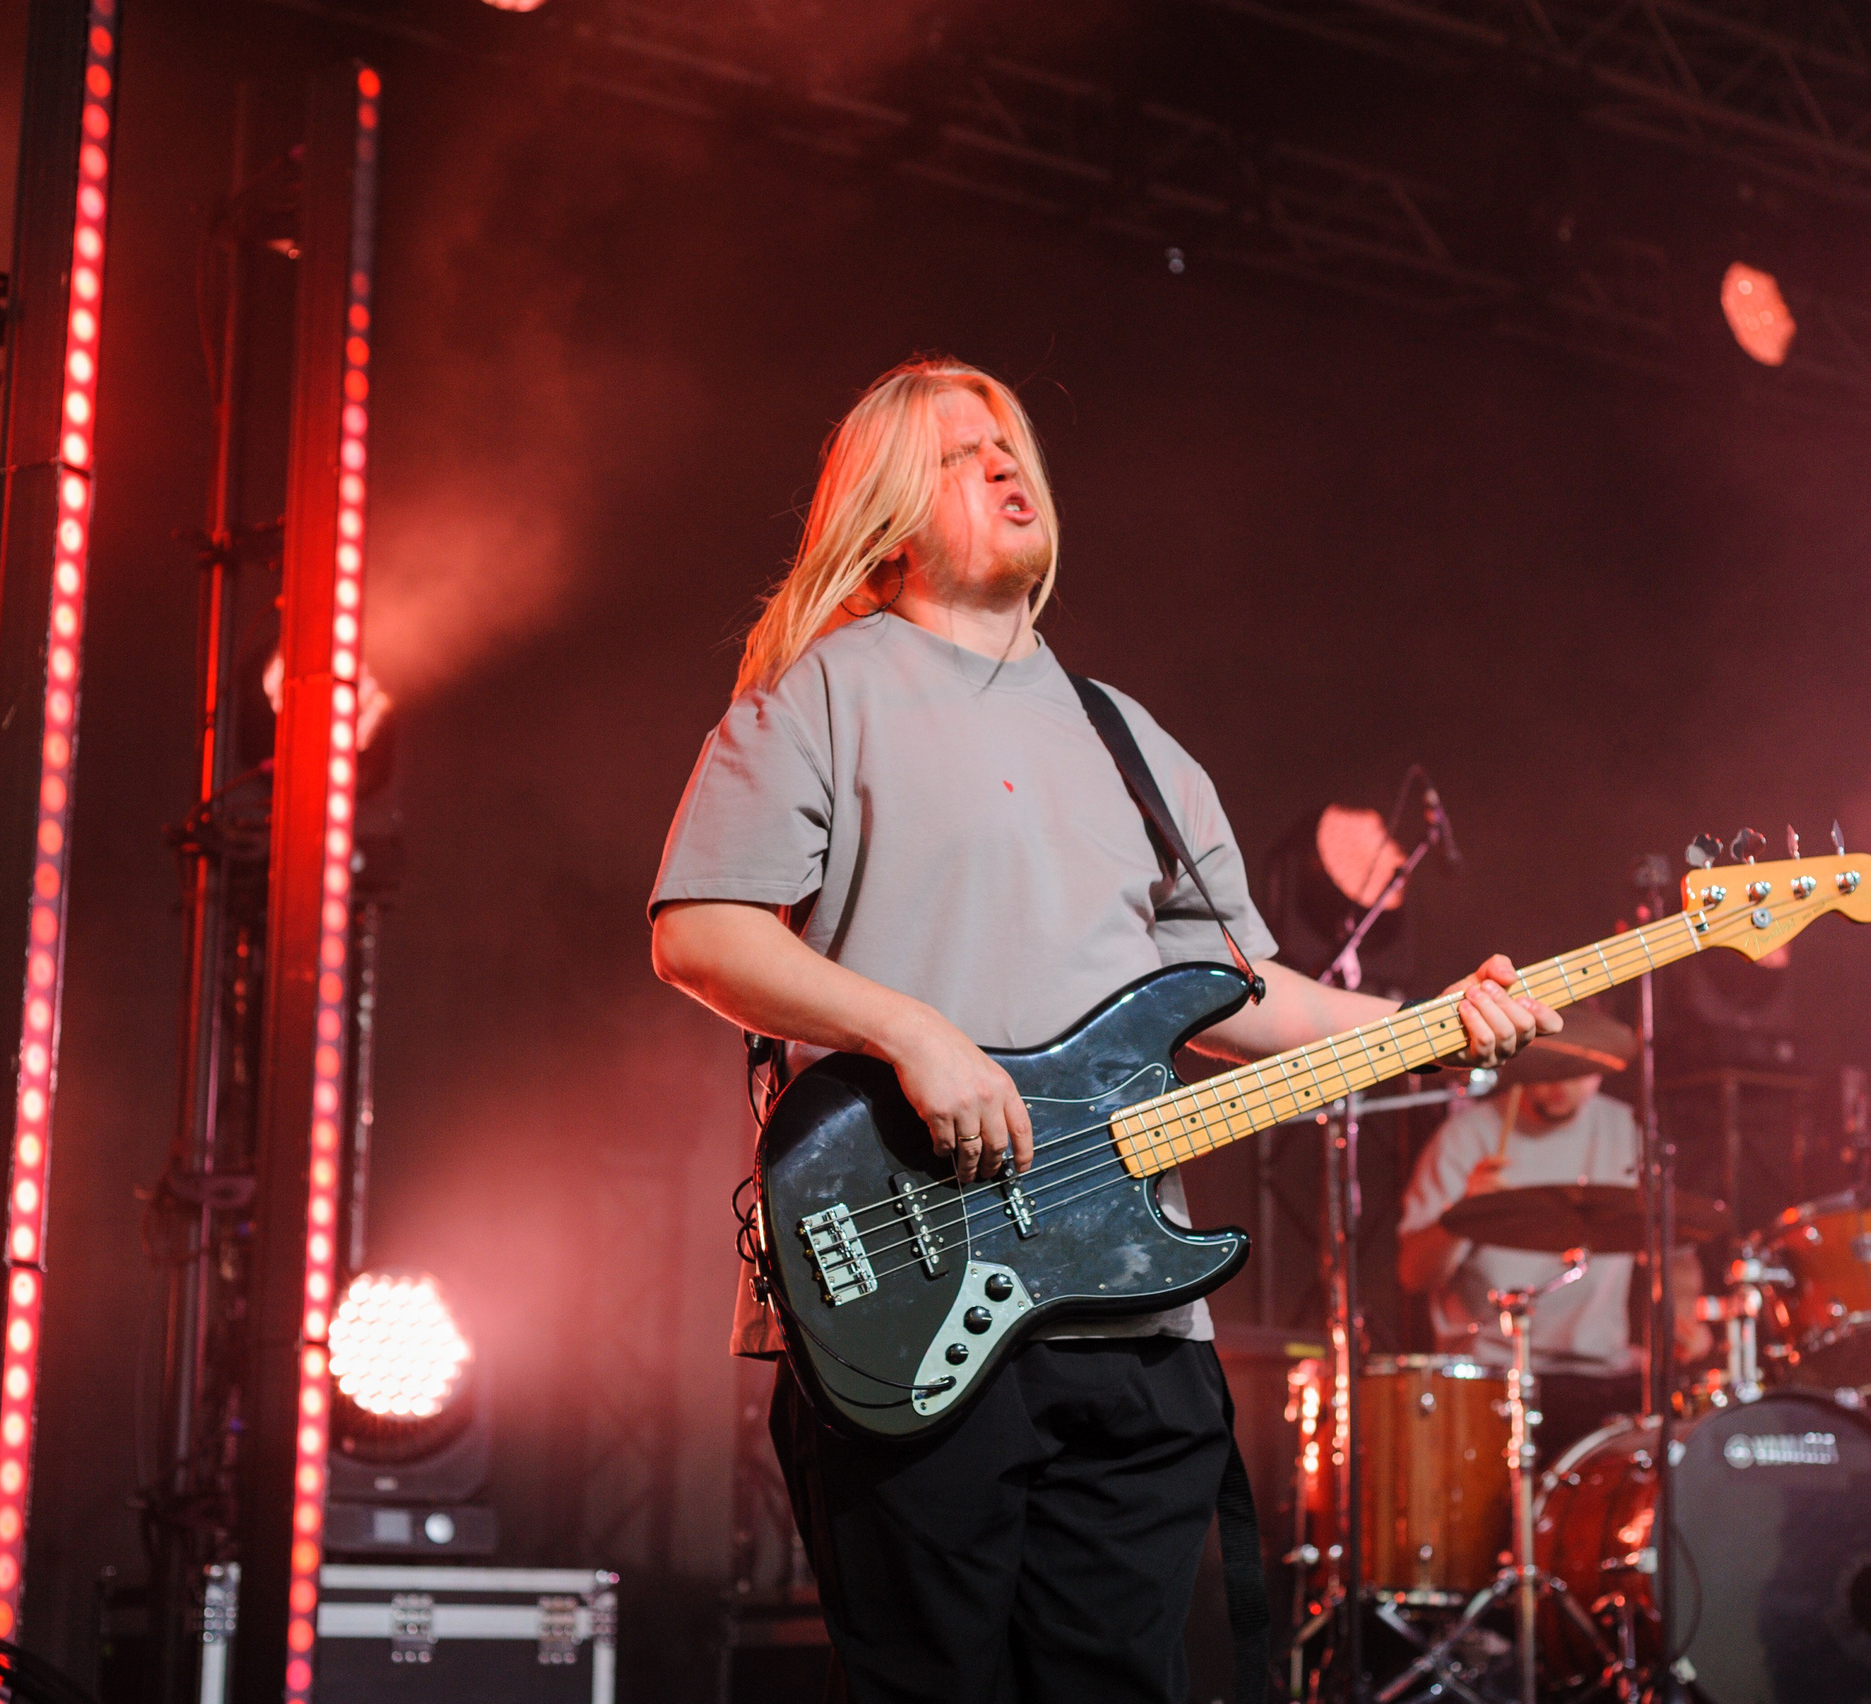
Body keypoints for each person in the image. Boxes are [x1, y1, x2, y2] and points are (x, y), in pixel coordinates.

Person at [648, 355, 1558, 1704]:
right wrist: (913, 1033)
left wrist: (1433, 1028)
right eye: (965, 452)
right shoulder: (827, 692)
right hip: (914, 1302)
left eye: (1014, 442)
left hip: (1132, 1325)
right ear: (891, 509)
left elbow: (1246, 993)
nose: (1010, 464)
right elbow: (700, 930)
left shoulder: (1130, 742)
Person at [1395, 1003, 1704, 1465]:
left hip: (1601, 1376)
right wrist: (1462, 1214)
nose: (1562, 1082)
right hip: (1491, 1381)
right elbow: (1414, 1275)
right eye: (1551, 1064)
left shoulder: (1626, 1131)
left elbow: (1674, 1249)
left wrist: (1687, 1318)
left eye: (1579, 1068)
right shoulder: (1466, 1137)